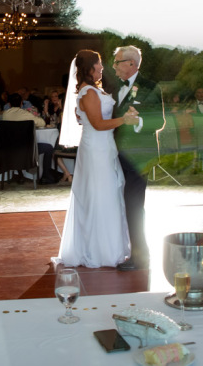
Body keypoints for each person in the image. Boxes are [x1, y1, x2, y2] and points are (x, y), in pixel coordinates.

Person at [54, 50, 139, 268]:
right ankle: (100, 251)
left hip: (103, 147)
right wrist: (125, 120)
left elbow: (88, 118)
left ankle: (107, 247)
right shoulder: (89, 92)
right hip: (96, 150)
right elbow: (99, 124)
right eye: (99, 64)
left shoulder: (91, 90)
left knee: (106, 195)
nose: (102, 67)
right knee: (101, 196)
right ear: (89, 68)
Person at [110, 45, 165, 271]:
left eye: (117, 62)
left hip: (139, 157)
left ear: (131, 63)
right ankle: (119, 248)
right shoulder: (114, 87)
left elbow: (159, 121)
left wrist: (139, 122)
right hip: (114, 154)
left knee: (134, 205)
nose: (114, 66)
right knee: (119, 203)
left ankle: (141, 256)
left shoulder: (151, 87)